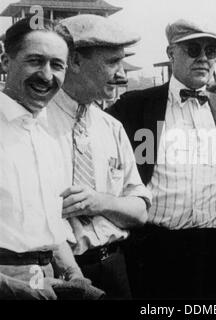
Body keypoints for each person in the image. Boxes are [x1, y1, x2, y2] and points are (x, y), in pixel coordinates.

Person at [108, 18, 216, 299]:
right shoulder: (136, 106)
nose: (204, 59)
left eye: (212, 52)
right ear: (171, 54)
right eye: (194, 49)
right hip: (156, 248)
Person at [46, 14, 152, 299]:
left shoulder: (112, 128)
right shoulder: (35, 123)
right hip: (57, 273)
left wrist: (99, 201)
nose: (123, 74)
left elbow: (141, 211)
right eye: (112, 62)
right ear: (75, 61)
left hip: (114, 267)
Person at [0, 17, 95, 300]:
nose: (46, 75)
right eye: (34, 61)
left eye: (57, 65)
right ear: (5, 62)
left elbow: (48, 226)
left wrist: (74, 273)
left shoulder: (49, 134)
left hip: (47, 279)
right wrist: (14, 288)